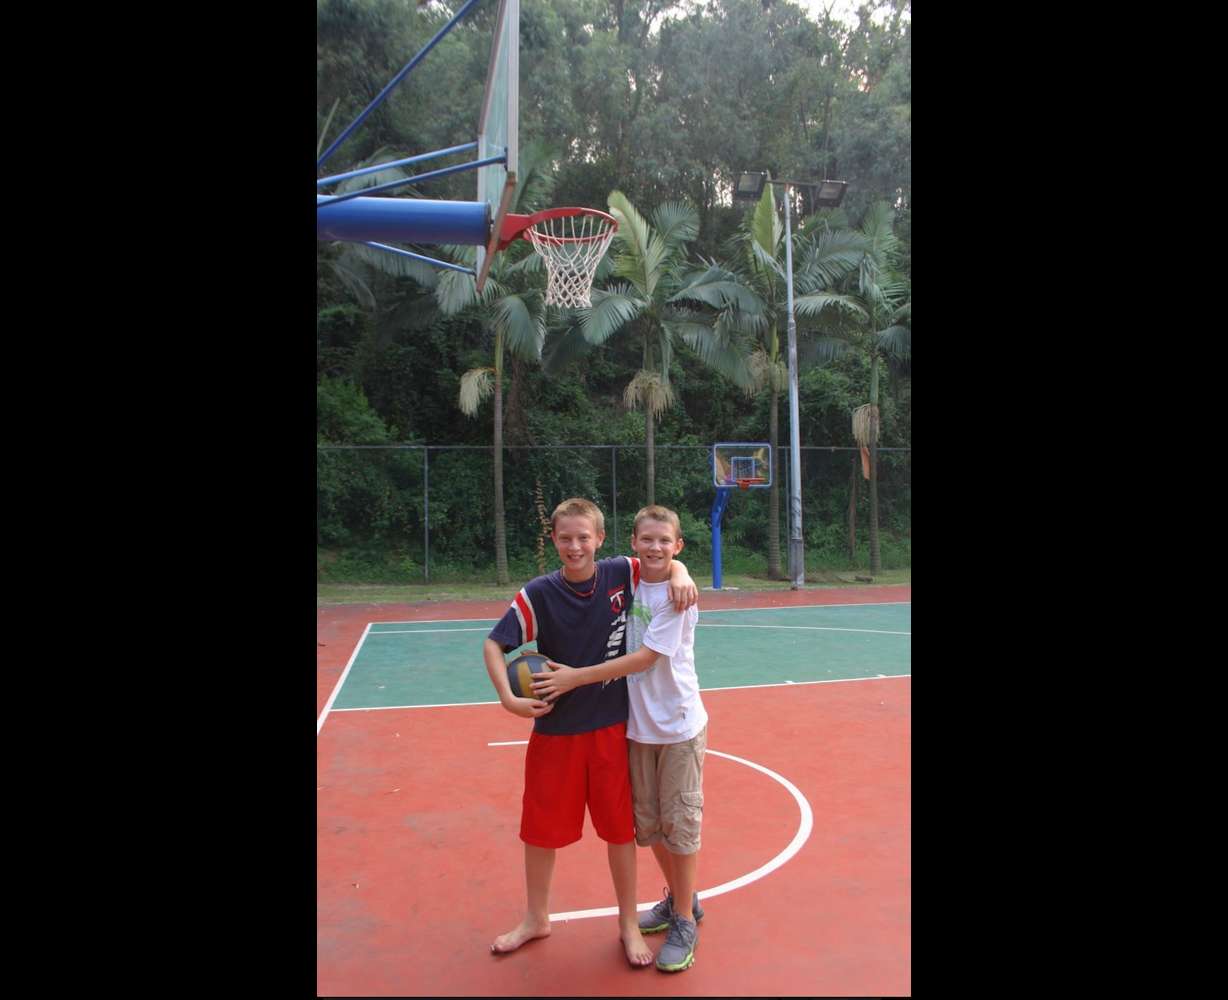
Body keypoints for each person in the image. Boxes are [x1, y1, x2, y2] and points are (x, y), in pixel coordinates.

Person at [483, 497, 698, 967]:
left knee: (619, 831)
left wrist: (682, 572)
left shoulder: (622, 573)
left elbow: (665, 554)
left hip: (610, 728)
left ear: (601, 540)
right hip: (555, 731)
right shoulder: (537, 594)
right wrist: (508, 698)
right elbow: (494, 645)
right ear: (554, 541)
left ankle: (626, 924)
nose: (575, 546)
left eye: (584, 537)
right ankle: (536, 917)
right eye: (565, 538)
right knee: (540, 831)